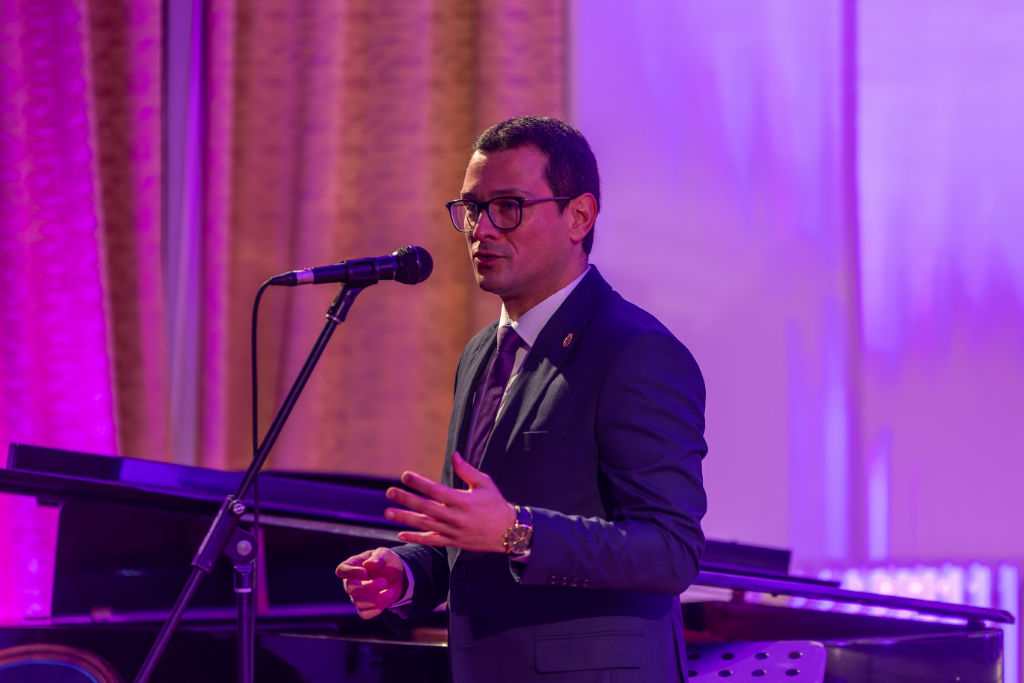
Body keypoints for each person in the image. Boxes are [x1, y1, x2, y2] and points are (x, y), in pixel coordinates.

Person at [336, 115, 707, 682]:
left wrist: (518, 531)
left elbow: (670, 550)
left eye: (508, 206)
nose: (481, 229)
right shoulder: (481, 352)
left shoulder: (636, 350)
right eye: (471, 209)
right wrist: (407, 574)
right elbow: (471, 537)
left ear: (579, 216)